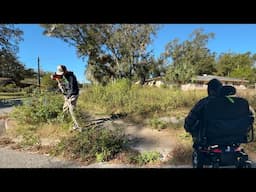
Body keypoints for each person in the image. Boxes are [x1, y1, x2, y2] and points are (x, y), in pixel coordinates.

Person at [184, 78, 254, 148]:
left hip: (210, 139)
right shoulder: (239, 103)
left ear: (210, 90)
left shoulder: (205, 102)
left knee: (198, 147)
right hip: (237, 138)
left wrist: (188, 127)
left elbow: (191, 118)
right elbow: (250, 117)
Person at [55, 65, 80, 131]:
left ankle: (78, 126)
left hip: (73, 95)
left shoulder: (71, 77)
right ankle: (66, 123)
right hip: (68, 94)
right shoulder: (64, 75)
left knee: (72, 111)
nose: (61, 75)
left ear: (65, 70)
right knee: (65, 108)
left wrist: (68, 97)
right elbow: (57, 76)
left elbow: (72, 89)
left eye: (62, 73)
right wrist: (54, 76)